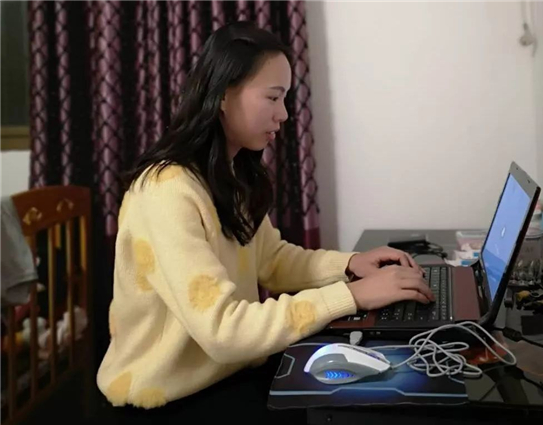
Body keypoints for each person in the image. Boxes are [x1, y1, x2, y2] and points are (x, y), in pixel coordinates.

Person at [96, 21, 434, 421]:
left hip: (227, 370)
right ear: (224, 94)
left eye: (285, 98)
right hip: (165, 395)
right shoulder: (166, 191)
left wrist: (350, 265)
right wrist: (354, 296)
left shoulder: (228, 174)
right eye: (273, 97)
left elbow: (272, 261)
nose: (284, 114)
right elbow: (224, 331)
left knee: (368, 389)